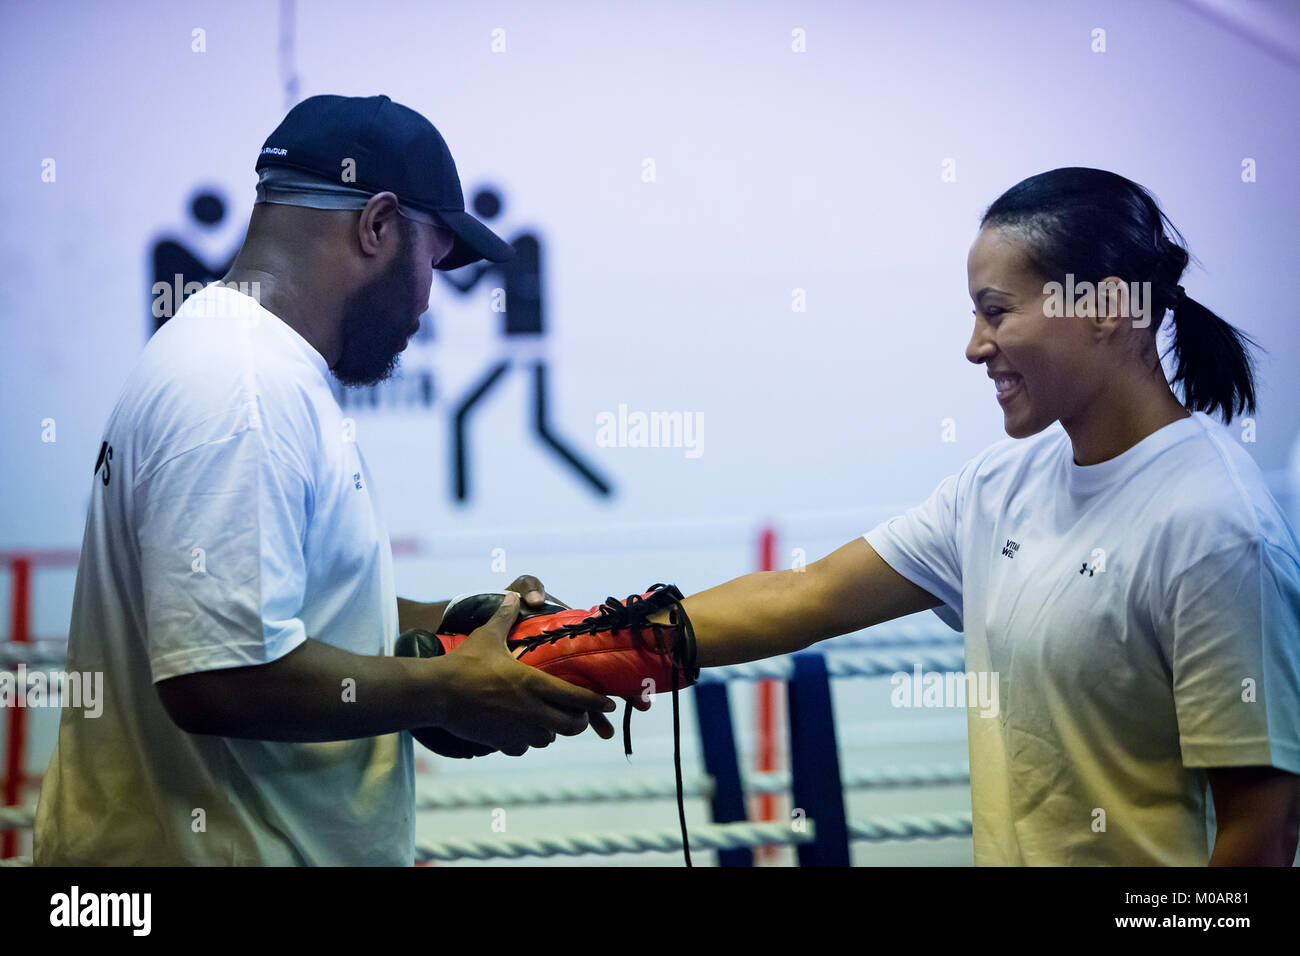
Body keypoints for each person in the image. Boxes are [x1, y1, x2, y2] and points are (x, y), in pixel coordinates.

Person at [34, 95, 618, 866]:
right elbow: (220, 678)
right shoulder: (241, 386)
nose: (427, 300)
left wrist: (470, 626)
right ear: (377, 226)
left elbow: (272, 615)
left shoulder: (244, 365)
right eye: (433, 262)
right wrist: (450, 689)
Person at [662, 168, 1300, 865]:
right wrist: (587, 642)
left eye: (996, 311)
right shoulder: (999, 486)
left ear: (1105, 307)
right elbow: (808, 592)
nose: (975, 346)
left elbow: (1263, 833)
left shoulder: (1214, 526)